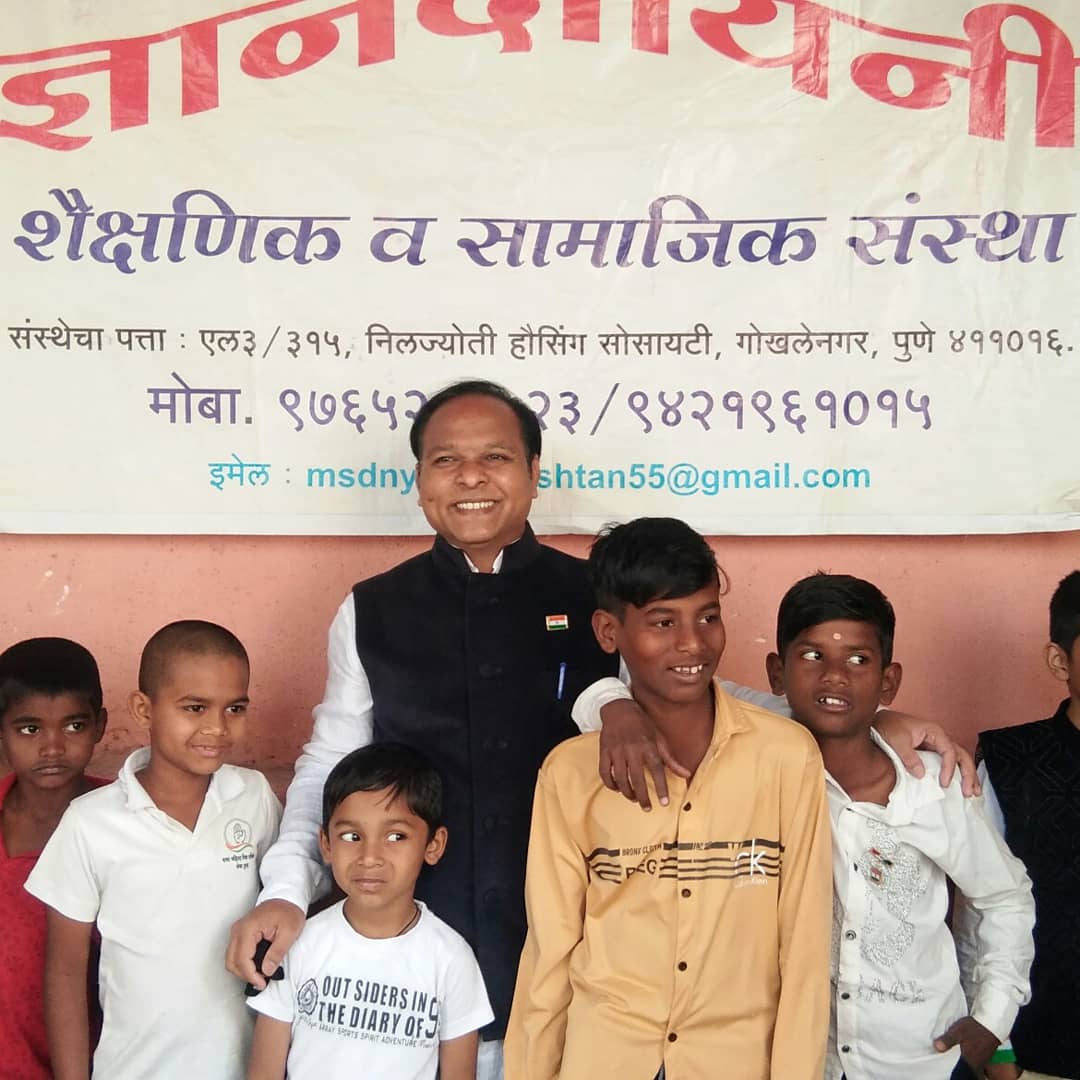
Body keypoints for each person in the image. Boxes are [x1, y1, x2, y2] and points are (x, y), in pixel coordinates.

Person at [228, 379, 973, 1079]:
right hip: (416, 951)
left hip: (583, 965)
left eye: (496, 457)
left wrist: (866, 720)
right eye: (446, 461)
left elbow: (696, 688)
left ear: (534, 472)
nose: (472, 478)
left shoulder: (592, 591)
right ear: (419, 481)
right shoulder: (371, 609)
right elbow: (332, 758)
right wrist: (289, 889)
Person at [505, 518, 834, 1080]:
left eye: (708, 617)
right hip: (603, 1055)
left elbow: (804, 951)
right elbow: (550, 953)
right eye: (663, 622)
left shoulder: (785, 757)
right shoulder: (570, 773)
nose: (692, 643)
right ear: (609, 633)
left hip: (734, 1060)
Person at [764, 573, 1035, 1080]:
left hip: (918, 1057)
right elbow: (689, 696)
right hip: (802, 1059)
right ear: (777, 674)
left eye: (859, 660)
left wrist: (991, 1020)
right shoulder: (761, 771)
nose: (835, 676)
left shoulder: (936, 787)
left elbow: (1004, 897)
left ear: (888, 682)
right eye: (812, 656)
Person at [26, 620, 282, 1080]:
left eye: (235, 707)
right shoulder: (91, 822)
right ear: (144, 710)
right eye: (195, 707)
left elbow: (288, 901)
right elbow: (65, 973)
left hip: (243, 1066)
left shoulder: (253, 796)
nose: (217, 728)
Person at [247, 742, 493, 1080]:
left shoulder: (450, 959)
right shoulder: (297, 946)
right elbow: (263, 1072)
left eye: (395, 836)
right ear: (326, 844)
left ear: (433, 846)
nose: (370, 856)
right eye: (351, 836)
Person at [956, 570, 1080, 1080]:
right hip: (1039, 1049)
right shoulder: (1012, 764)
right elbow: (977, 916)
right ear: (1060, 660)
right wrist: (996, 1043)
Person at [0, 637, 108, 1080]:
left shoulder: (125, 821)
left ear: (100, 725)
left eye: (73, 726)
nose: (52, 747)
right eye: (29, 729)